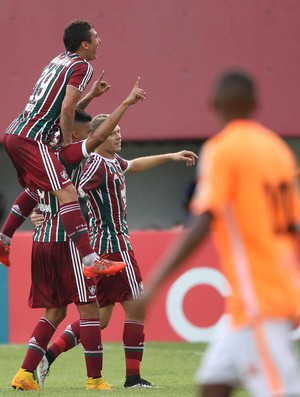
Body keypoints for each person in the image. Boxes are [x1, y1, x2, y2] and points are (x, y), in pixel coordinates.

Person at [138, 70, 300, 397]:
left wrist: (152, 286)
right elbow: (292, 226)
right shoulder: (277, 150)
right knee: (214, 382)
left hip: (259, 299)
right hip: (269, 292)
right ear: (257, 103)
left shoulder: (222, 149)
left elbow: (204, 219)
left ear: (211, 104)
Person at [36, 114, 198, 389]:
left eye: (119, 131)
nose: (118, 136)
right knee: (136, 308)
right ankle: (133, 379)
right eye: (113, 132)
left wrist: (171, 155)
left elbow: (133, 165)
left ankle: (47, 356)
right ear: (99, 137)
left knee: (100, 319)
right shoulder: (96, 165)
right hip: (115, 248)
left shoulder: (113, 162)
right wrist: (42, 208)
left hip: (106, 248)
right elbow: (69, 190)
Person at [10, 78, 146, 391]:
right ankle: (98, 380)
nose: (90, 138)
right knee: (90, 311)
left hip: (41, 240)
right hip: (69, 241)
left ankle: (26, 373)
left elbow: (29, 193)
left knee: (56, 310)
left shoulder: (43, 156)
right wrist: (124, 103)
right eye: (83, 134)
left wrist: (11, 232)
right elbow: (92, 134)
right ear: (74, 135)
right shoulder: (74, 157)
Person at [0, 20, 121, 277]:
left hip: (16, 132)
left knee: (36, 188)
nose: (100, 41)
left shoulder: (58, 61)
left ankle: (4, 239)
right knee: (68, 192)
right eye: (96, 37)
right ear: (84, 44)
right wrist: (68, 143)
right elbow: (66, 108)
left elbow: (59, 107)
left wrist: (90, 98)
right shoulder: (82, 65)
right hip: (33, 138)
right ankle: (90, 260)